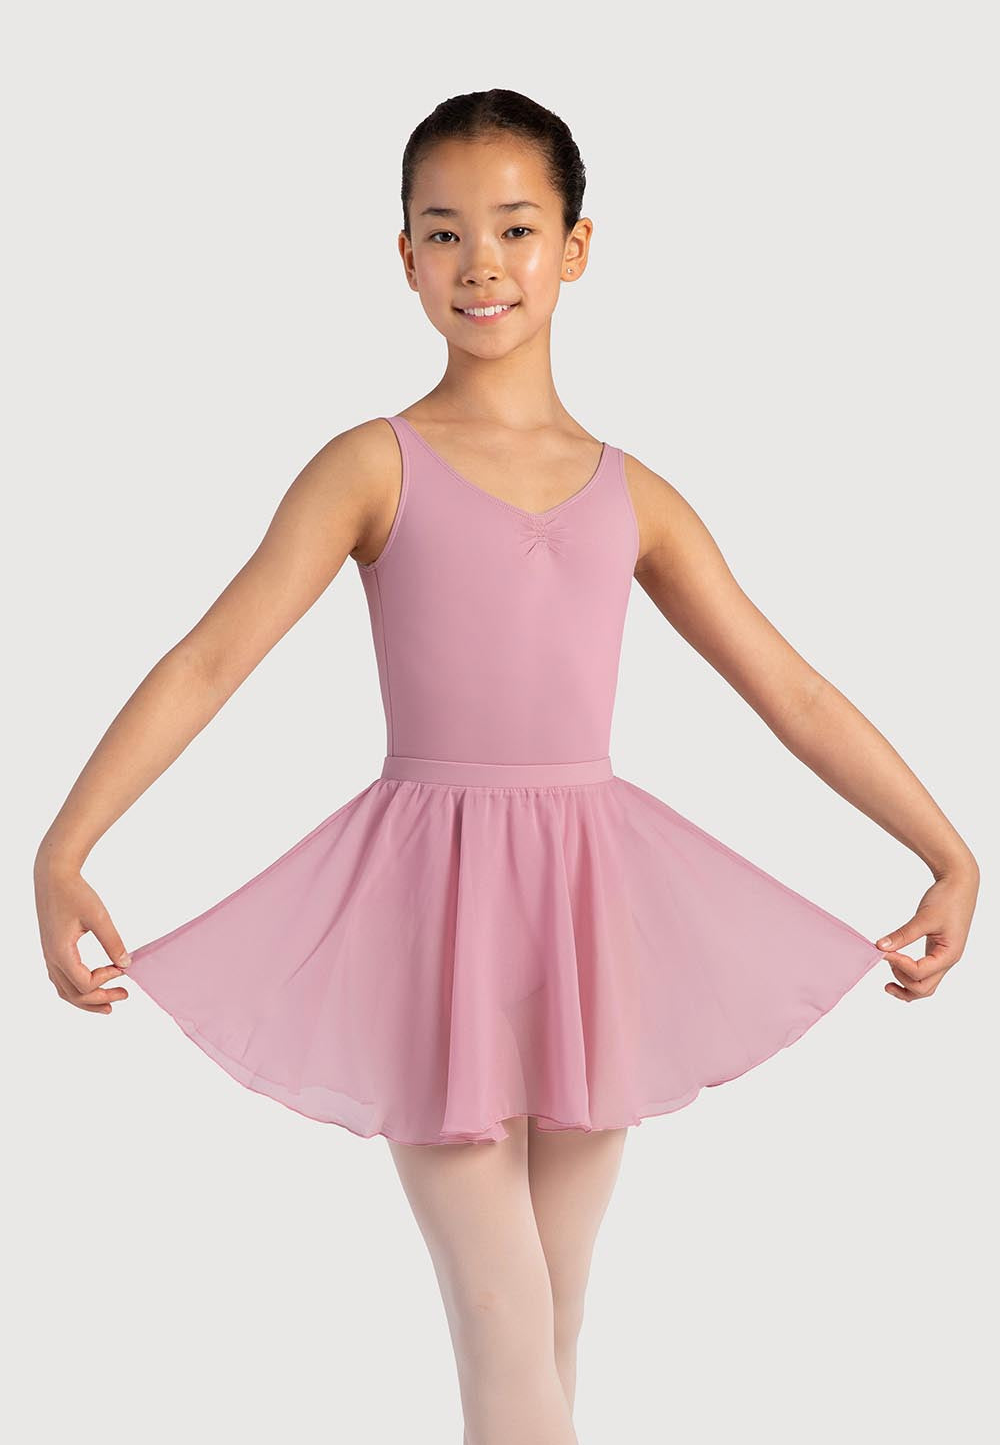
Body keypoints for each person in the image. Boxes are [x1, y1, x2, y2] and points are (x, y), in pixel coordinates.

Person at [34, 88, 979, 1445]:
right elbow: (210, 659)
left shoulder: (632, 492)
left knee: (552, 1320)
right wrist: (68, 844)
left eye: (517, 228)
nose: (481, 261)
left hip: (593, 921)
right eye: (445, 231)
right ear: (405, 257)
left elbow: (794, 690)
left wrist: (945, 849)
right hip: (435, 919)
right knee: (501, 1316)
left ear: (576, 248)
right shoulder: (372, 465)